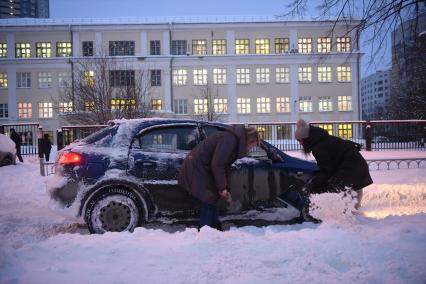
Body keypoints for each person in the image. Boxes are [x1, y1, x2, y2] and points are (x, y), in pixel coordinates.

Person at [178, 125, 260, 231]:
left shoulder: (234, 141)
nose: (250, 149)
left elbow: (226, 166)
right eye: (252, 146)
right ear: (249, 140)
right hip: (197, 167)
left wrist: (226, 188)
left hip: (204, 168)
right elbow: (218, 164)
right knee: (209, 198)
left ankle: (215, 230)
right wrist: (222, 188)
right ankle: (205, 232)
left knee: (213, 198)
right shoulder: (229, 140)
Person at [294, 119, 373, 221]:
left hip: (352, 168)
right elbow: (328, 167)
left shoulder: (319, 146)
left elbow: (327, 170)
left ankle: (345, 218)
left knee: (333, 186)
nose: (300, 143)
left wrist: (313, 183)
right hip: (355, 167)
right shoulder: (321, 140)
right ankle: (349, 213)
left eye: (300, 140)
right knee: (335, 185)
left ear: (306, 139)